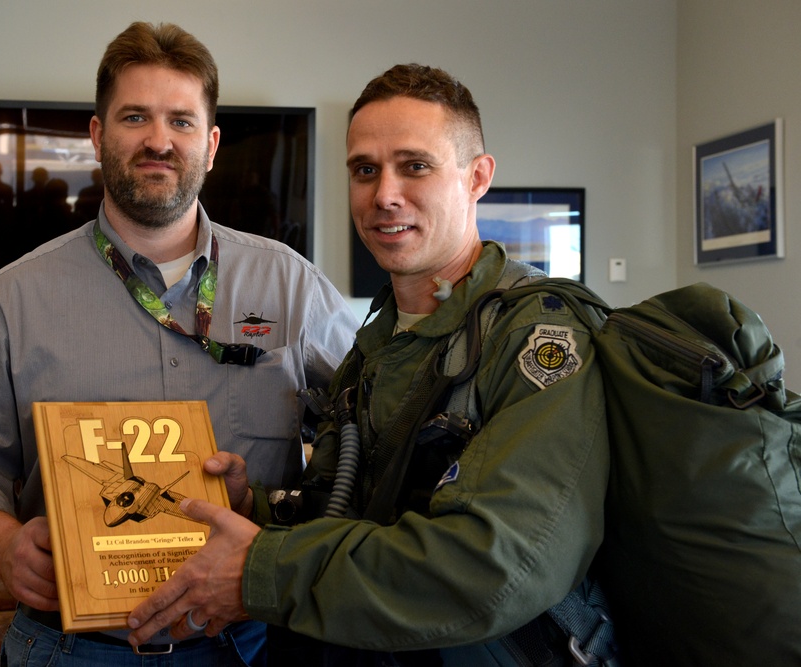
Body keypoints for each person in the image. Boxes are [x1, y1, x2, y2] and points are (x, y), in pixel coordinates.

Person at [0, 21, 359, 666]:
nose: (158, 141)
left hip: (250, 643)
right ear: (97, 135)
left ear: (212, 144)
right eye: (135, 117)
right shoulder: (8, 303)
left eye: (181, 121)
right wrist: (2, 546)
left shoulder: (293, 286)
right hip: (74, 647)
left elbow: (374, 426)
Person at [126, 63, 611, 665]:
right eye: (365, 169)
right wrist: (251, 504)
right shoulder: (377, 343)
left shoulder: (538, 338)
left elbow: (491, 567)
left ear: (477, 177)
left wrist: (262, 574)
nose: (384, 194)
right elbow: (349, 508)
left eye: (415, 166)